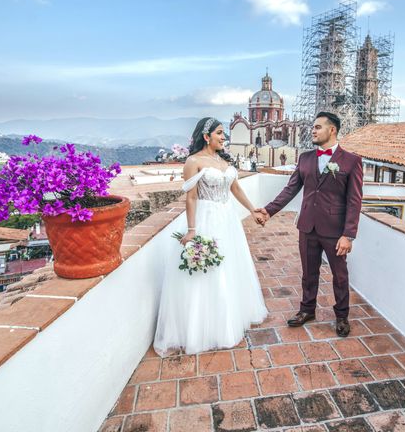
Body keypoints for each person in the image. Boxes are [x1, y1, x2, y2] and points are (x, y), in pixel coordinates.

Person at [153, 117, 268, 356]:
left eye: (224, 133)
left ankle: (229, 320)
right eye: (219, 133)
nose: (224, 137)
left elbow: (235, 188)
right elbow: (191, 197)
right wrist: (192, 230)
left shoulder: (223, 161)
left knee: (229, 267)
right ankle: (206, 329)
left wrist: (252, 209)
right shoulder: (193, 162)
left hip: (228, 219)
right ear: (206, 137)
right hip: (206, 218)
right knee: (209, 271)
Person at [256, 112, 363, 337]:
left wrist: (348, 235)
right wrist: (269, 211)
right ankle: (307, 310)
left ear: (332, 130)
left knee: (340, 275)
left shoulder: (352, 161)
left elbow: (354, 201)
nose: (312, 131)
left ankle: (342, 315)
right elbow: (290, 189)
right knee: (308, 272)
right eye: (313, 128)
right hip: (307, 227)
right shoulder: (305, 158)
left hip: (335, 230)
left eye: (317, 127)